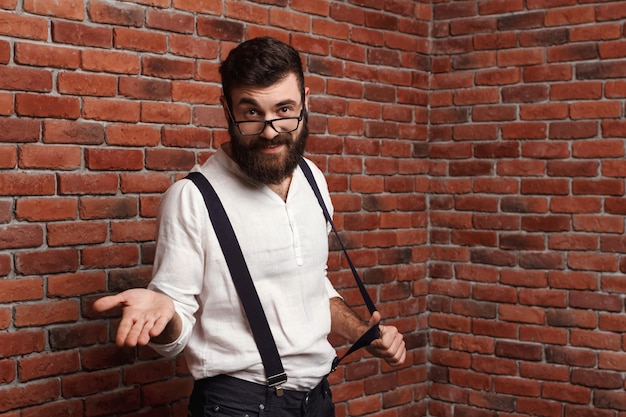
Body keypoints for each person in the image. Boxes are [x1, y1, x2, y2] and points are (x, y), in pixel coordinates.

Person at [93, 36, 406, 417]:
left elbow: (311, 283)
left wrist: (363, 333)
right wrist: (166, 316)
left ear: (306, 100)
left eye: (284, 109)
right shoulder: (192, 199)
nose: (271, 130)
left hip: (319, 401)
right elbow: (174, 337)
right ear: (227, 109)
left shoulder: (312, 179)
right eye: (252, 113)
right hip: (238, 407)